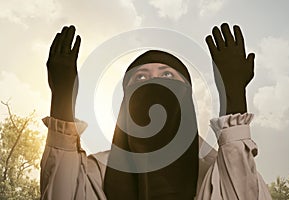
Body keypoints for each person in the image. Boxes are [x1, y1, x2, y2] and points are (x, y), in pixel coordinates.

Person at [41, 23, 272, 199]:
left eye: (168, 75)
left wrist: (233, 95)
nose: (154, 83)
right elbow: (59, 192)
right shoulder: (95, 172)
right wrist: (62, 97)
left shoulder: (215, 170)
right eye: (141, 77)